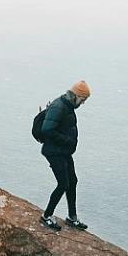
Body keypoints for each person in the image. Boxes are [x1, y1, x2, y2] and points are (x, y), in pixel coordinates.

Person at [38, 80, 90, 231]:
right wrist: (67, 141)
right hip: (54, 152)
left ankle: (72, 217)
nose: (82, 103)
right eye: (82, 99)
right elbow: (47, 129)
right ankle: (46, 216)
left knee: (72, 181)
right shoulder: (59, 107)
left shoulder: (66, 106)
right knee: (63, 184)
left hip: (63, 151)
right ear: (75, 96)